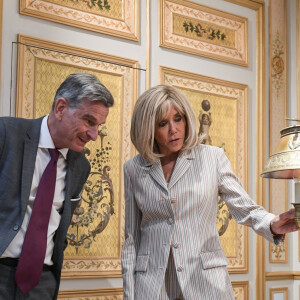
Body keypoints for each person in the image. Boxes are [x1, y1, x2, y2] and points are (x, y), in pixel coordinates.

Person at [121, 85, 297, 300]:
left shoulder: (212, 157)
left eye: (178, 119)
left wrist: (271, 223)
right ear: (148, 128)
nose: (173, 129)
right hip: (152, 286)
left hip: (205, 282)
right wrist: (130, 295)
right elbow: (132, 239)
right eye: (162, 123)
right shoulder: (133, 168)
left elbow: (242, 205)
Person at [0, 73, 114, 299]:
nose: (93, 135)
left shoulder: (81, 166)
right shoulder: (6, 134)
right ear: (61, 108)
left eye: (98, 126)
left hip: (42, 282)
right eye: (89, 121)